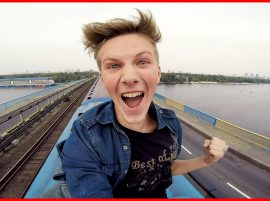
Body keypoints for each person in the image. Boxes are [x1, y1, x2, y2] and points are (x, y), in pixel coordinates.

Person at [60, 9, 228, 198]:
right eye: (114, 66)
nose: (130, 77)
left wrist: (205, 160)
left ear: (158, 73)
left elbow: (164, 169)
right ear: (103, 80)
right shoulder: (86, 136)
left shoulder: (171, 124)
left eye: (142, 61)